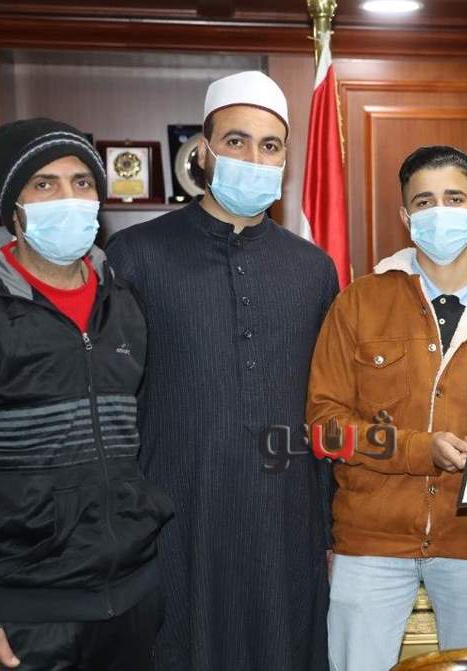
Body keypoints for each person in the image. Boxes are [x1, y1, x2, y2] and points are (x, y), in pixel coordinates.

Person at [0, 118, 172, 671]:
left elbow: (140, 448)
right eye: (44, 184)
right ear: (13, 208)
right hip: (20, 622)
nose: (69, 197)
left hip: (132, 606)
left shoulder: (125, 305)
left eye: (82, 182)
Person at [104, 71, 338, 670]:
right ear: (204, 151)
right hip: (178, 519)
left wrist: (333, 529)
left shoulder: (314, 269)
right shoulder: (136, 254)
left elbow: (328, 405)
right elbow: (112, 404)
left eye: (270, 145)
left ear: (285, 160)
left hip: (287, 521)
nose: (253, 158)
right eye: (236, 141)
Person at [307, 145, 467, 671]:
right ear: (405, 216)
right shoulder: (359, 302)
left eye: (454, 198)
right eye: (424, 201)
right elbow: (327, 429)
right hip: (371, 542)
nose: (440, 211)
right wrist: (421, 449)